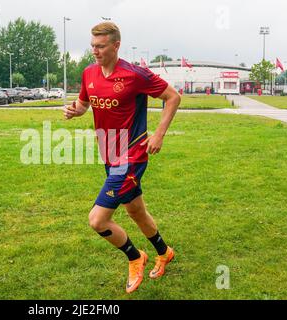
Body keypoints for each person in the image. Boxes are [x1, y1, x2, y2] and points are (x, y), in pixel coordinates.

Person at [64, 22, 181, 294]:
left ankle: (135, 257)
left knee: (98, 220)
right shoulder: (89, 73)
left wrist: (159, 134)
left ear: (116, 45)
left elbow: (172, 97)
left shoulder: (134, 75)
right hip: (108, 154)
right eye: (93, 46)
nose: (95, 51)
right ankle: (164, 253)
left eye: (101, 46)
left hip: (131, 156)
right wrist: (74, 111)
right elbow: (84, 104)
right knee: (135, 210)